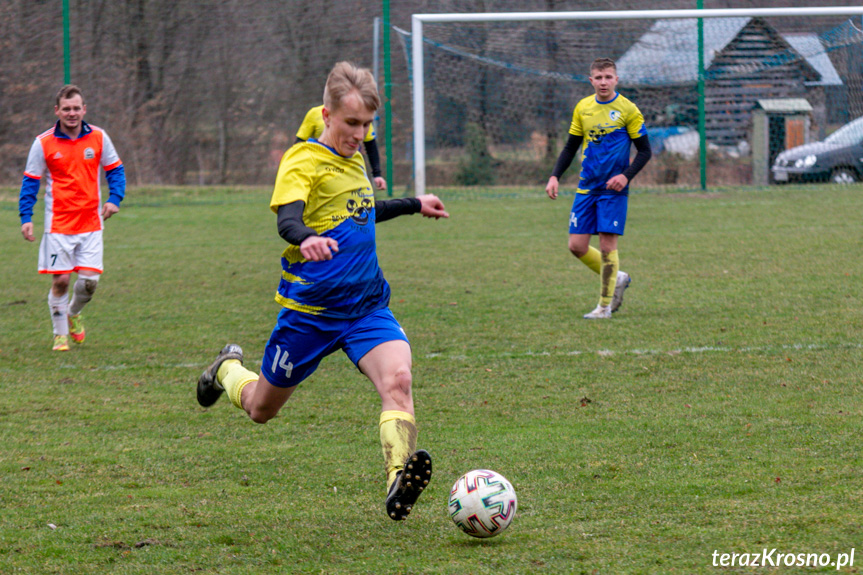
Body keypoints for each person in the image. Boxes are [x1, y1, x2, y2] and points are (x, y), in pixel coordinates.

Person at [197, 62, 448, 521]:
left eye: (368, 124)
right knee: (260, 410)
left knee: (399, 381)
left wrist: (414, 204)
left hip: (365, 306)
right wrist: (304, 237)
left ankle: (397, 479)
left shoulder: (353, 160)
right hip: (309, 314)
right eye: (352, 123)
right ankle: (227, 368)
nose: (360, 134)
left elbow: (362, 211)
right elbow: (287, 218)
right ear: (327, 114)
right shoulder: (302, 161)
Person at [19, 84, 126, 351]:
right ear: (57, 111)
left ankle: (73, 312)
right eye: (66, 109)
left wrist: (114, 199)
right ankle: (60, 335)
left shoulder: (99, 138)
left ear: (84, 109)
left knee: (89, 283)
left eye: (76, 108)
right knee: (62, 280)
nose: (72, 113)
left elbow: (116, 171)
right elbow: (30, 182)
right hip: (58, 225)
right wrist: (26, 216)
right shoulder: (43, 143)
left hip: (91, 223)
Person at [546, 57, 652, 319]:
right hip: (586, 187)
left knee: (607, 247)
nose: (603, 82)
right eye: (598, 77)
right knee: (576, 246)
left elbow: (645, 151)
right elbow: (571, 146)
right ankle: (619, 276)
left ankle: (604, 307)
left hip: (613, 189)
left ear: (616, 79)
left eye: (608, 77)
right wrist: (554, 176)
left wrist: (625, 177)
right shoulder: (583, 107)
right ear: (590, 80)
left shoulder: (628, 109)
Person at [295, 104, 387, 191]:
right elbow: (299, 144)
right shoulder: (315, 113)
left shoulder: (360, 114)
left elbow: (371, 145)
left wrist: (377, 174)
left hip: (351, 171)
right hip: (321, 171)